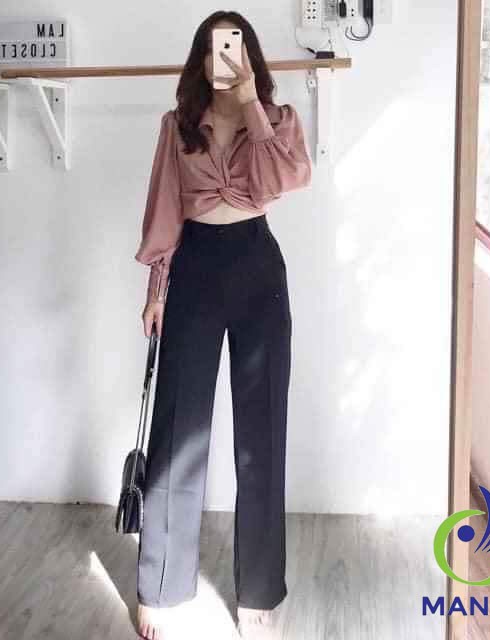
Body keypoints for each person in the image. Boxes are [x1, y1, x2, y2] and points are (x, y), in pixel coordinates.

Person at [134, 10, 312, 639]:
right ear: (200, 58)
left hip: (258, 268)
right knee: (178, 429)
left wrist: (250, 107)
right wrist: (157, 290)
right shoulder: (178, 125)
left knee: (262, 432)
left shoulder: (278, 121)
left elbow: (287, 179)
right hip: (195, 268)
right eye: (215, 48)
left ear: (251, 56)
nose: (225, 57)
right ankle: (161, 585)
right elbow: (164, 208)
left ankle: (259, 587)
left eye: (235, 48)